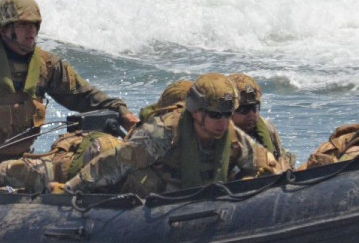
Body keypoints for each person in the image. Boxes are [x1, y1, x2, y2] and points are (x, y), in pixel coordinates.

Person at [0, 0, 139, 172]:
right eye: (24, 25)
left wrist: (121, 112)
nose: (31, 31)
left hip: (18, 161)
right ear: (5, 29)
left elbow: (83, 96)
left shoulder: (46, 65)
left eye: (35, 25)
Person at [63, 73, 279, 197]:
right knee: (143, 182)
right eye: (215, 115)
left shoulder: (229, 135)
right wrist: (71, 189)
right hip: (154, 199)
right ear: (196, 113)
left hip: (195, 197)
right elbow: (114, 162)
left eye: (227, 115)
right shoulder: (164, 133)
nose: (223, 122)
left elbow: (266, 163)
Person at [227, 73, 295, 172]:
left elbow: (281, 157)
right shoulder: (218, 133)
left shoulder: (267, 128)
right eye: (243, 109)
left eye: (255, 108)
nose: (251, 114)